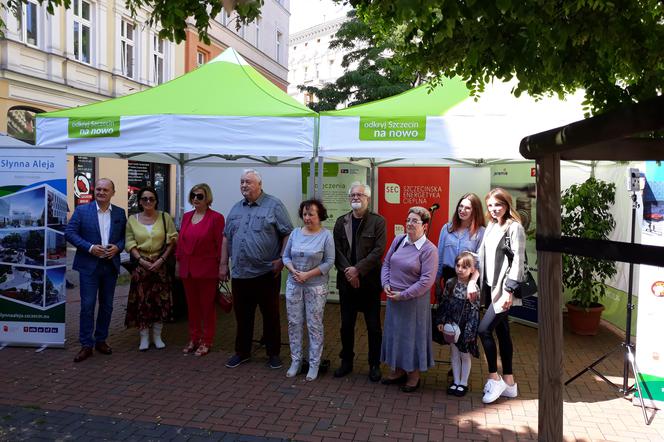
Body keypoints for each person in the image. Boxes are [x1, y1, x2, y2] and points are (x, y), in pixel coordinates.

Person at [220, 169, 293, 370]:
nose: (244, 185)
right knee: (242, 316)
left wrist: (281, 259)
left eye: (248, 182)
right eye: (242, 182)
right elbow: (226, 237)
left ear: (259, 184)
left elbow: (288, 233)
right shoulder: (235, 209)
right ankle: (242, 352)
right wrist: (223, 264)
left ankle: (273, 353)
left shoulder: (274, 205)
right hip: (240, 273)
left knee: (271, 315)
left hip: (266, 273)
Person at [65, 178, 126, 363]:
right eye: (98, 189)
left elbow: (125, 237)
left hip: (110, 266)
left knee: (107, 306)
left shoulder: (120, 213)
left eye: (105, 189)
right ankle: (86, 344)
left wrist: (118, 247)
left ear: (113, 192)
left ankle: (101, 340)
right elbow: (70, 232)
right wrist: (90, 247)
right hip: (88, 266)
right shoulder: (83, 210)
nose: (101, 192)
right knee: (87, 305)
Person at [380, 206, 438, 392]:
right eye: (408, 220)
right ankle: (397, 370)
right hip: (393, 299)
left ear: (425, 227)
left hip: (413, 302)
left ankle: (413, 375)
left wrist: (403, 295)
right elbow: (387, 263)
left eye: (415, 221)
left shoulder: (429, 250)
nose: (409, 224)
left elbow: (426, 282)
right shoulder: (398, 241)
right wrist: (386, 284)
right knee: (395, 334)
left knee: (412, 337)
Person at [332, 183, 386, 382]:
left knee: (373, 327)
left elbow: (378, 251)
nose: (356, 197)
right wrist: (349, 272)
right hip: (347, 284)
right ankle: (346, 361)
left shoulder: (378, 222)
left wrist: (358, 270)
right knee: (346, 325)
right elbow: (336, 251)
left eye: (360, 195)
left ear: (368, 199)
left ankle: (374, 364)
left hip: (369, 283)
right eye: (353, 195)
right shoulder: (341, 222)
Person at [477, 188, 526, 403]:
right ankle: (509, 383)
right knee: (503, 332)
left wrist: (509, 291)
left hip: (503, 290)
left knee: (484, 330)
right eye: (490, 205)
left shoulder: (514, 227)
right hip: (488, 288)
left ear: (506, 204)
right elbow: (482, 255)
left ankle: (494, 378)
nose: (494, 209)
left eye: (498, 204)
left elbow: (518, 261)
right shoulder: (490, 226)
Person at [282, 199, 334, 381]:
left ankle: (314, 363)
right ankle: (296, 360)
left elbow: (329, 262)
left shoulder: (326, 235)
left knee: (314, 325)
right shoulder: (295, 233)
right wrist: (293, 270)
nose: (307, 217)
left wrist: (308, 275)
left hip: (315, 287)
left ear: (320, 216)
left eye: (311, 214)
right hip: (294, 285)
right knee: (294, 323)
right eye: (305, 214)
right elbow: (285, 256)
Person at [124, 187, 178, 351]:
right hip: (141, 267)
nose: (148, 202)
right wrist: (141, 260)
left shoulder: (164, 217)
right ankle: (144, 338)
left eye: (151, 199)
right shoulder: (132, 219)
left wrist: (161, 259)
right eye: (145, 199)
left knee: (159, 301)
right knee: (142, 302)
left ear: (156, 201)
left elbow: (173, 239)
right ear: (139, 201)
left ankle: (157, 336)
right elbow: (129, 241)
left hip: (160, 266)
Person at [176, 183, 225, 357]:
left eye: (200, 196)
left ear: (207, 198)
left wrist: (223, 267)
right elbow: (181, 243)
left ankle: (207, 340)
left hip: (207, 270)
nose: (195, 199)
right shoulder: (187, 216)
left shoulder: (216, 218)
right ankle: (194, 338)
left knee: (207, 307)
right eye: (193, 195)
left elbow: (221, 245)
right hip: (187, 270)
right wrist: (178, 263)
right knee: (192, 307)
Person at [433, 251, 480, 397]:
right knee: (453, 353)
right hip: (451, 324)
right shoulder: (450, 283)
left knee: (465, 354)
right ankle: (456, 381)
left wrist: (470, 332)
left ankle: (463, 383)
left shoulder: (474, 289)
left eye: (465, 267)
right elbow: (445, 303)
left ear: (472, 269)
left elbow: (474, 311)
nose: (460, 269)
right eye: (458, 265)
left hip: (465, 326)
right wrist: (441, 320)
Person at [436, 193, 485, 287]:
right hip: (448, 277)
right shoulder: (446, 228)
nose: (462, 210)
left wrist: (472, 282)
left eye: (467, 208)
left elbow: (480, 262)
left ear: (475, 211)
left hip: (469, 279)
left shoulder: (481, 232)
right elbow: (440, 257)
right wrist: (437, 281)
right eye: (461, 206)